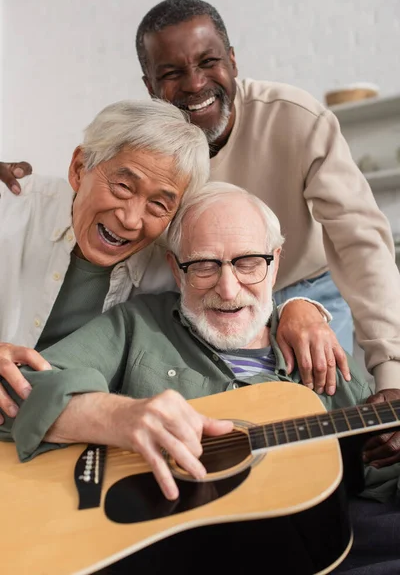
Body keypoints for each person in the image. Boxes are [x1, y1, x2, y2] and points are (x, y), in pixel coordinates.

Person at [0, 181, 398, 574]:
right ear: (175, 269)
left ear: (274, 262)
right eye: (204, 265)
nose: (227, 289)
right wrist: (113, 415)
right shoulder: (138, 324)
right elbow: (16, 389)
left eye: (247, 263)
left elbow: (383, 480)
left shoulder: (321, 356)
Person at [0, 99, 348, 424]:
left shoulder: (170, 266)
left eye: (159, 204)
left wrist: (295, 307)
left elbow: (234, 290)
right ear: (79, 168)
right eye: (122, 186)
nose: (132, 219)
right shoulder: (10, 209)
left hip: (63, 431)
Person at [133, 0, 400, 395]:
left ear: (233, 61)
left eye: (209, 62)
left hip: (309, 286)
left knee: (323, 401)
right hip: (211, 296)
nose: (194, 84)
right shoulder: (144, 150)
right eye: (172, 72)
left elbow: (361, 243)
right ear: (150, 86)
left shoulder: (296, 118)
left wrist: (392, 372)